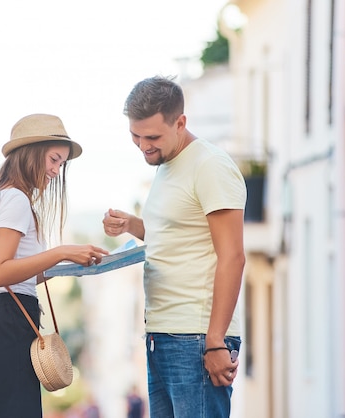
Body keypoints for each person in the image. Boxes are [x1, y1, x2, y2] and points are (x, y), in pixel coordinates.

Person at [102, 76, 246, 418]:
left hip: (196, 338)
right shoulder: (166, 165)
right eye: (135, 136)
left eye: (152, 137)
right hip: (161, 336)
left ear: (180, 122)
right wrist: (132, 225)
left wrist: (215, 340)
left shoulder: (210, 165)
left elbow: (233, 257)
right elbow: (175, 237)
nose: (143, 146)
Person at [0, 113, 108, 418]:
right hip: (6, 322)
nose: (56, 171)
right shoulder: (16, 200)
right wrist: (61, 251)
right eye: (54, 160)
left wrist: (70, 263)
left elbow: (15, 274)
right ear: (31, 153)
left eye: (61, 165)